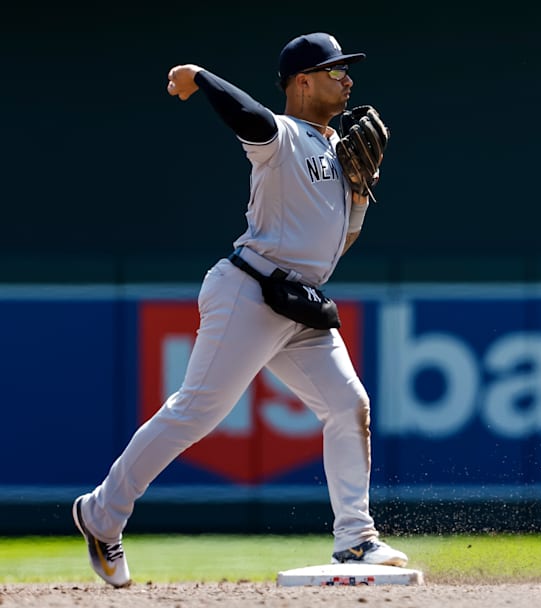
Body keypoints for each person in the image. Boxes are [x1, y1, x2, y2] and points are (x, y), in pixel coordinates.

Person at [72, 32, 407, 588]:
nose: (348, 79)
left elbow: (334, 248)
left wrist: (360, 193)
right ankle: (102, 512)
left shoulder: (337, 151)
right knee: (196, 412)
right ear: (303, 82)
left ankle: (356, 540)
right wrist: (202, 75)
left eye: (348, 71)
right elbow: (249, 117)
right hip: (249, 293)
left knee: (349, 406)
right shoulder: (285, 137)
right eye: (335, 71)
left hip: (299, 303)